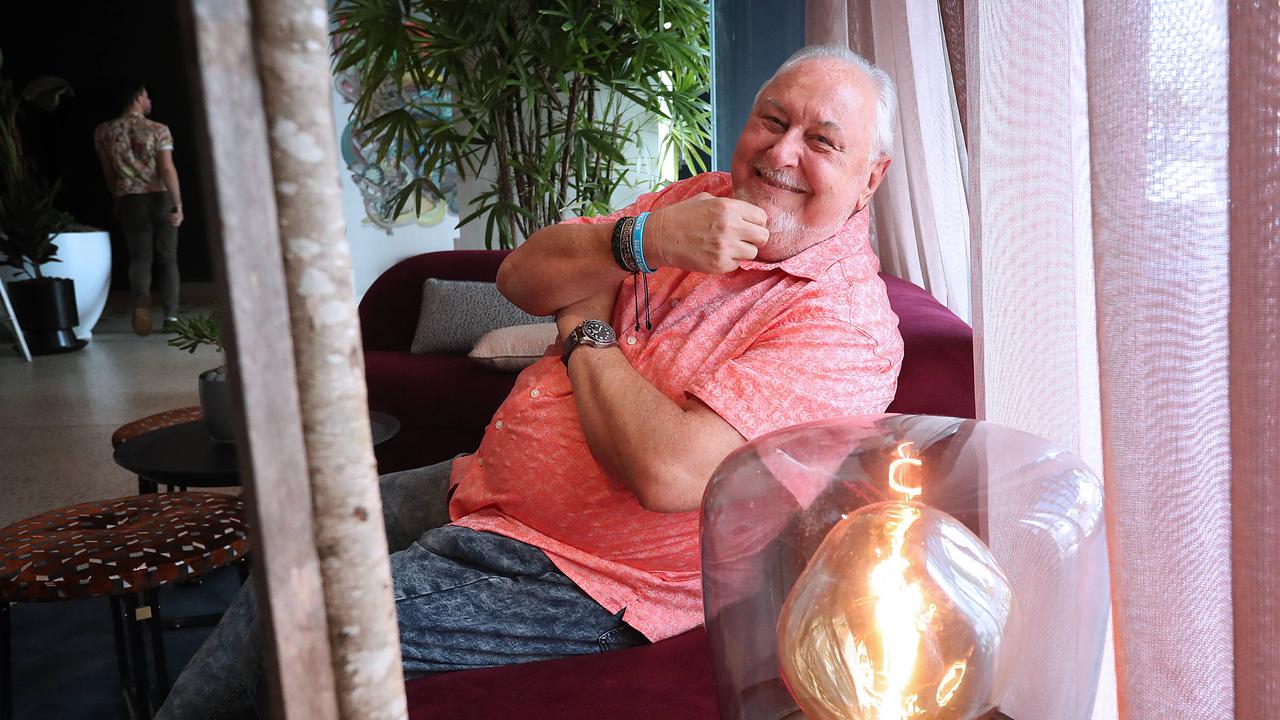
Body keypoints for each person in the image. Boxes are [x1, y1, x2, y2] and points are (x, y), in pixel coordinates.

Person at [156, 45, 903, 718]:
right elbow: (521, 278)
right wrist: (645, 237)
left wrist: (584, 324)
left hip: (590, 576)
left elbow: (667, 471)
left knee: (301, 618)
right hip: (482, 487)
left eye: (823, 142)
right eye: (771, 120)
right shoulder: (692, 202)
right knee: (295, 526)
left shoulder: (845, 324)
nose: (782, 152)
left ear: (871, 177)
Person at [94, 83, 184, 336]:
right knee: (168, 258)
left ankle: (141, 303)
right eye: (146, 95)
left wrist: (117, 199)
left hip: (130, 199)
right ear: (137, 97)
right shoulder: (158, 129)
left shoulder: (104, 131)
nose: (150, 99)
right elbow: (167, 169)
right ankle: (172, 317)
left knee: (140, 258)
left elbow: (108, 173)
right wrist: (178, 202)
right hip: (161, 197)